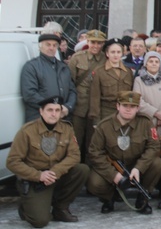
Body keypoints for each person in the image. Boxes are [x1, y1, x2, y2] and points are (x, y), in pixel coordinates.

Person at [7, 97, 90, 228]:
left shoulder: (66, 128)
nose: (54, 113)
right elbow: (12, 162)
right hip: (35, 180)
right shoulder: (27, 131)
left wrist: (54, 172)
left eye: (57, 110)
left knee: (82, 170)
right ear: (41, 111)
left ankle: (60, 208)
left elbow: (74, 156)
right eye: (50, 110)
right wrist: (39, 175)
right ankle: (26, 207)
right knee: (40, 221)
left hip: (56, 176)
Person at [87, 91, 161, 214]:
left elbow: (154, 146)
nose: (128, 110)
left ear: (138, 108)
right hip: (113, 167)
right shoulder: (104, 126)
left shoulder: (146, 123)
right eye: (124, 106)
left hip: (136, 165)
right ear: (117, 106)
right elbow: (95, 153)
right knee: (94, 183)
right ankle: (109, 197)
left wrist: (139, 168)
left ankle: (142, 198)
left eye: (132, 107)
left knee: (158, 164)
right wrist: (113, 175)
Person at [67, 29, 107, 159]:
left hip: (96, 108)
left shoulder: (105, 59)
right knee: (75, 142)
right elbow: (70, 83)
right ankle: (75, 170)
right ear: (87, 42)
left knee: (93, 143)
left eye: (99, 43)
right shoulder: (77, 58)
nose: (96, 46)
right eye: (93, 42)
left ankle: (91, 172)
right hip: (79, 106)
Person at [21, 33, 77, 122]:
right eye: (48, 44)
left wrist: (68, 107)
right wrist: (54, 108)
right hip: (39, 119)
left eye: (54, 45)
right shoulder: (31, 67)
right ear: (40, 47)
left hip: (62, 119)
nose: (51, 48)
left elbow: (72, 91)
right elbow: (30, 94)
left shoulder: (64, 67)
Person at [88, 37, 134, 122]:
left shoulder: (128, 72)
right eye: (113, 52)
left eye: (118, 52)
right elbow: (95, 97)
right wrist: (96, 120)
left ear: (122, 53)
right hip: (106, 112)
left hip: (124, 112)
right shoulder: (99, 72)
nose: (116, 55)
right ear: (107, 53)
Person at [133, 51, 161, 135]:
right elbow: (138, 100)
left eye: (157, 62)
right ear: (146, 64)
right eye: (151, 61)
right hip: (148, 120)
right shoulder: (138, 80)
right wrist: (156, 113)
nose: (154, 64)